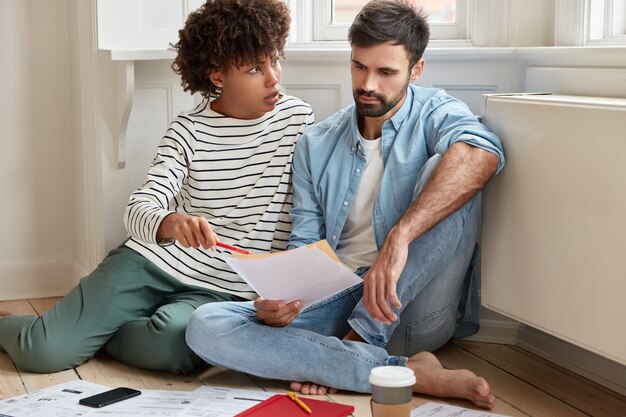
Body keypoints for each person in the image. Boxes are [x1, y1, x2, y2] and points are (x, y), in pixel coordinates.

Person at [185, 0, 505, 409]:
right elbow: (305, 245)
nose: (368, 84)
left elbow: (483, 153)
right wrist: (284, 302)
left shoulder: (436, 112)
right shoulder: (315, 142)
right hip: (337, 302)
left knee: (450, 171)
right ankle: (398, 370)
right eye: (359, 67)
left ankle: (351, 348)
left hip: (410, 308)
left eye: (386, 72)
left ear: (416, 70)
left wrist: (398, 239)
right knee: (206, 325)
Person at [0, 0, 313, 375]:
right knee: (43, 353)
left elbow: (309, 212)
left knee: (176, 353)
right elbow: (140, 207)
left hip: (222, 286)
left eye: (274, 60)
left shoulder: (298, 119)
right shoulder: (188, 130)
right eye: (253, 68)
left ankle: (88, 329)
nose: (273, 77)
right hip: (150, 263)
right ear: (217, 75)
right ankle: (24, 326)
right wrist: (173, 223)